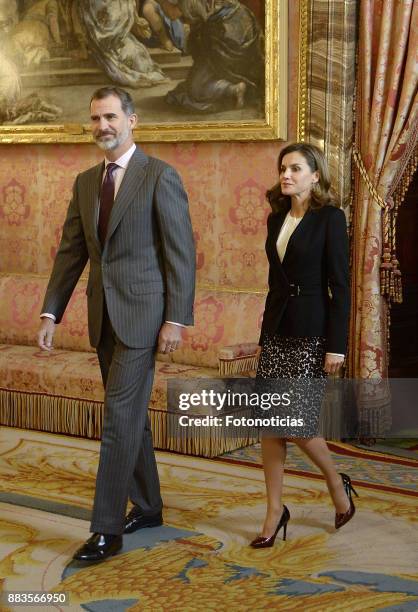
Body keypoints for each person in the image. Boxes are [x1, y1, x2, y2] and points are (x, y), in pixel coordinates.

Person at [37, 86, 195, 562]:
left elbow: (180, 256)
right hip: (102, 317)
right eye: (95, 119)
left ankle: (106, 529)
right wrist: (51, 311)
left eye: (110, 117)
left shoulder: (159, 176)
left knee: (117, 421)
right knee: (130, 421)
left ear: (132, 120)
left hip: (144, 319)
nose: (102, 126)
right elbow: (72, 252)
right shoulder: (86, 181)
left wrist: (176, 319)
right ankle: (147, 506)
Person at [250, 142, 355, 549]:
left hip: (312, 331)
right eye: (283, 168)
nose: (286, 175)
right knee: (268, 425)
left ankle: (334, 481)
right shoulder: (276, 218)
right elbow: (275, 286)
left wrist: (337, 345)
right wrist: (263, 338)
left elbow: (340, 287)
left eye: (296, 168)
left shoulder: (330, 218)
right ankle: (275, 510)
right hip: (277, 330)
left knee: (293, 423)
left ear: (315, 176)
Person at [166, 0, 264, 112]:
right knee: (194, 86)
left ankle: (234, 88)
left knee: (196, 90)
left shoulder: (195, 12)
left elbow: (201, 22)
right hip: (235, 22)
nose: (166, 12)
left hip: (228, 29)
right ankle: (233, 88)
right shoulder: (194, 13)